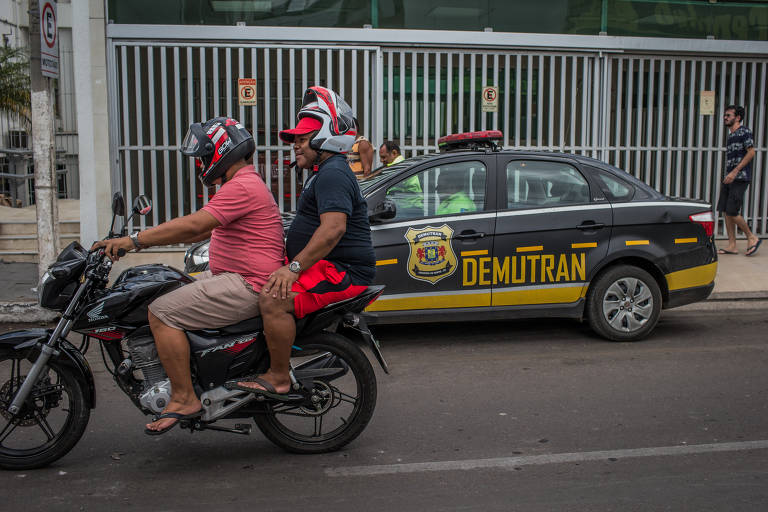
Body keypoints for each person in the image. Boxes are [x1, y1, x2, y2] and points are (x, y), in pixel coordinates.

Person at [93, 117, 285, 434]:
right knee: (163, 288)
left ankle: (184, 397)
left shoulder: (242, 185)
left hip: (249, 284)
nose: (201, 163)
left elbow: (196, 226)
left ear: (221, 152)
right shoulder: (239, 184)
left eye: (203, 156)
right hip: (235, 276)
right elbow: (201, 228)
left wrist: (133, 241)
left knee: (161, 312)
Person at [230, 86, 376, 398]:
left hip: (342, 271)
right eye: (295, 140)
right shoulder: (321, 172)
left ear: (325, 137)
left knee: (273, 299)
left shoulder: (334, 172)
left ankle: (280, 377)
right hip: (326, 266)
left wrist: (293, 268)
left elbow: (333, 229)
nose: (295, 146)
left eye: (302, 139)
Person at [717, 105, 760, 256]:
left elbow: (751, 152)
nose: (725, 117)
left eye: (728, 115)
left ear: (738, 118)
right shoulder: (731, 135)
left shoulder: (744, 132)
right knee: (725, 211)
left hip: (740, 178)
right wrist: (729, 174)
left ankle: (752, 237)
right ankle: (732, 245)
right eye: (725, 115)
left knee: (733, 211)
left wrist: (735, 172)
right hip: (729, 177)